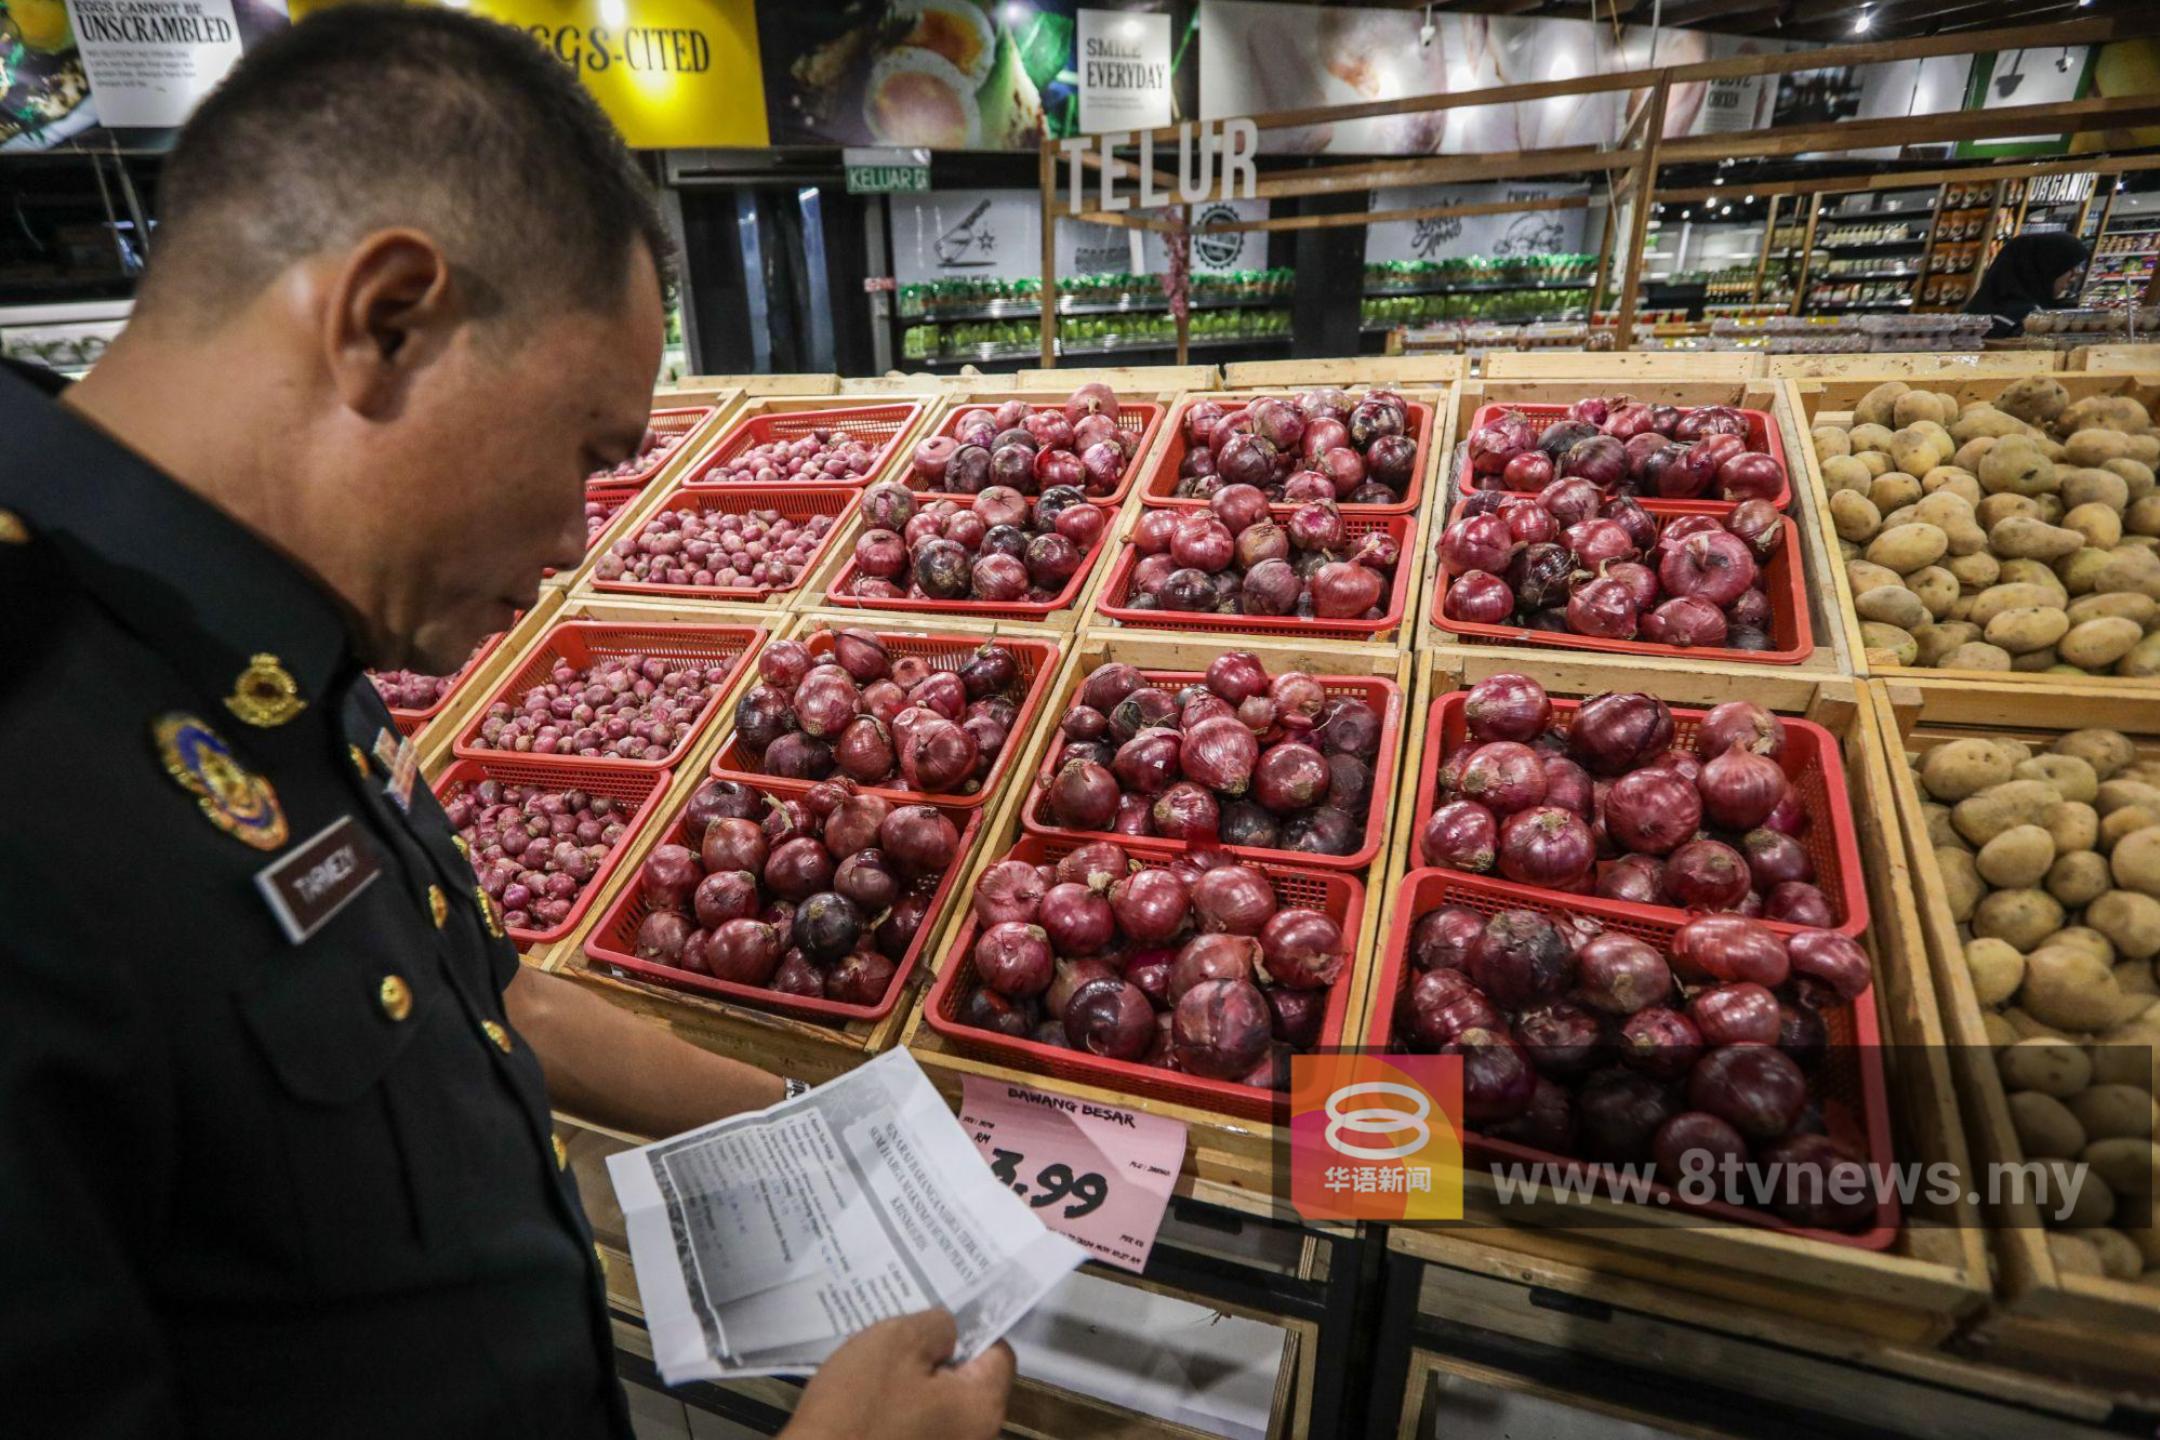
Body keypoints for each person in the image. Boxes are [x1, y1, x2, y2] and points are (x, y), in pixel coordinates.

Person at [0, 9, 1012, 1439]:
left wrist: (829, 1132)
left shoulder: (251, 630)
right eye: (586, 452)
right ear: (387, 320)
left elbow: (476, 986)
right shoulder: (41, 748)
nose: (574, 541)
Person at [1963, 232, 2090, 338]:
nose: (2073, 278)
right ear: (2044, 269)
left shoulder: (1974, 313)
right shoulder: (2026, 322)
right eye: (2069, 269)